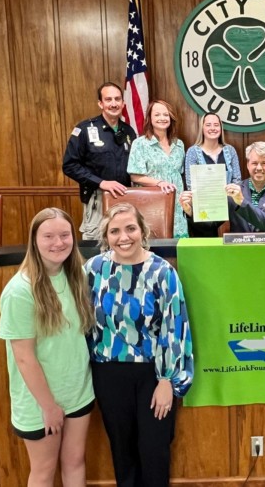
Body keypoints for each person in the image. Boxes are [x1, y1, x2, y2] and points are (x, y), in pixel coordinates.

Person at [85, 203, 193, 487]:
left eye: (130, 228)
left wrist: (167, 380)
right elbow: (81, 321)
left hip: (152, 375)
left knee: (154, 451)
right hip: (108, 373)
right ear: (106, 236)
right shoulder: (94, 269)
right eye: (115, 231)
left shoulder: (162, 272)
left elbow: (175, 325)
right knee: (123, 453)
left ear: (143, 231)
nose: (124, 237)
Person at [0, 208, 95, 486]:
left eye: (65, 235)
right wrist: (49, 406)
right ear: (34, 241)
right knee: (43, 470)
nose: (58, 243)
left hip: (78, 391)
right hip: (41, 402)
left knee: (75, 462)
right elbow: (24, 357)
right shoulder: (19, 290)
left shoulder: (75, 276)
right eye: (49, 236)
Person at [63, 82, 137, 240]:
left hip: (125, 198)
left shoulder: (129, 131)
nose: (113, 103)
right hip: (97, 198)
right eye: (108, 99)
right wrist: (101, 182)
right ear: (100, 103)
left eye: (117, 99)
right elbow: (70, 165)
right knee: (96, 247)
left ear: (123, 103)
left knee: (125, 242)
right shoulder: (84, 130)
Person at [180, 141, 265, 233]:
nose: (259, 168)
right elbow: (210, 226)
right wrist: (191, 213)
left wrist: (242, 202)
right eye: (254, 163)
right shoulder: (234, 191)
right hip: (238, 252)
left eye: (264, 163)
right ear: (248, 165)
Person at [127, 99, 188, 239]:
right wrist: (159, 183)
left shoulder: (179, 145)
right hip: (152, 206)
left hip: (178, 209)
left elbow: (180, 175)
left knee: (179, 250)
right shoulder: (140, 144)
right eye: (157, 115)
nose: (162, 118)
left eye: (166, 115)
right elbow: (135, 177)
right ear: (150, 118)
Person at [183, 112, 242, 237]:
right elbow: (190, 183)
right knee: (202, 221)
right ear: (202, 128)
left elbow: (237, 180)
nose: (213, 128)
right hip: (203, 204)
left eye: (216, 125)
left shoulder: (230, 150)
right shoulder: (193, 152)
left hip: (227, 203)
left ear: (221, 128)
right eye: (208, 125)